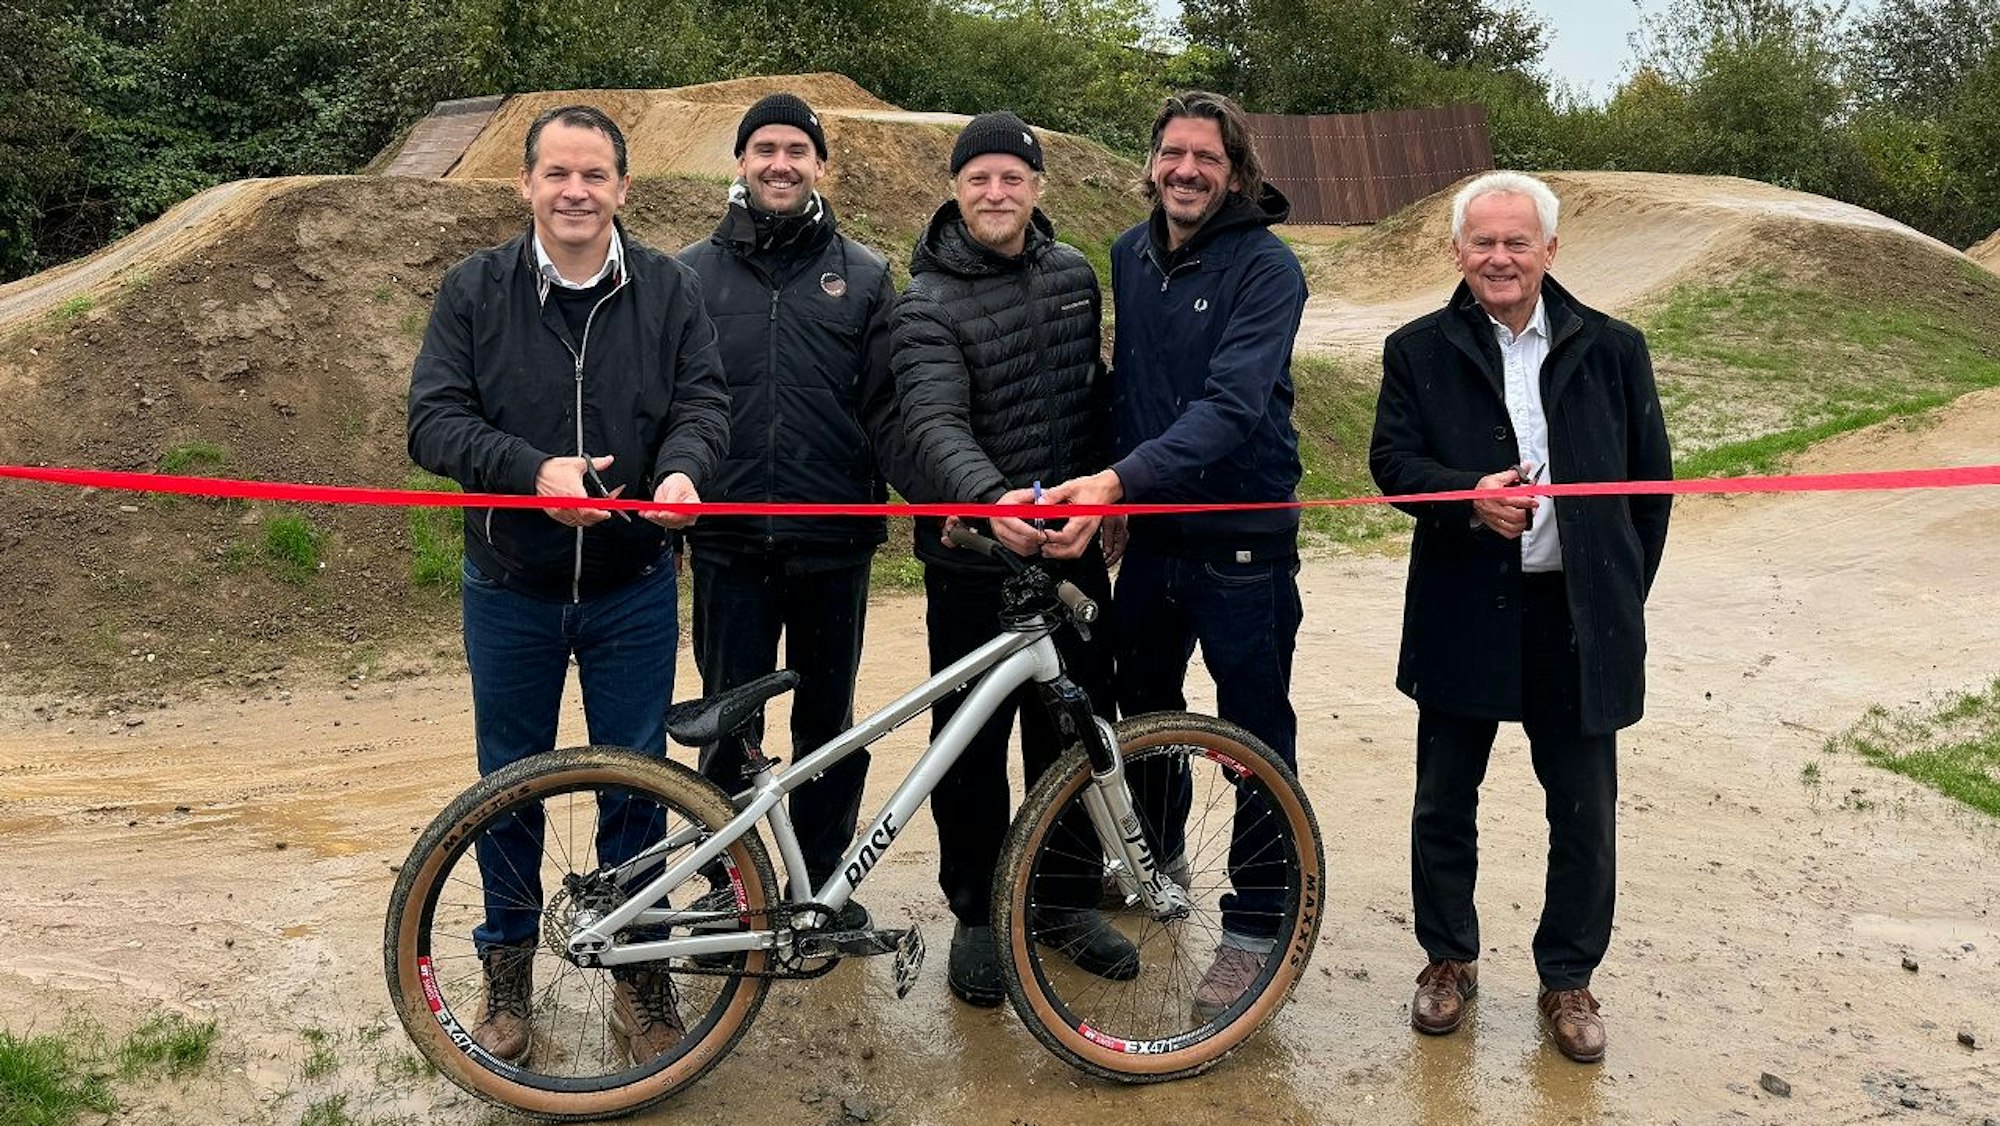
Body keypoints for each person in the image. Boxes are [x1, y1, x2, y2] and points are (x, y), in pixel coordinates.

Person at [406, 104, 730, 1067]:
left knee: (636, 783)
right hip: (511, 584)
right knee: (509, 786)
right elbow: (431, 421)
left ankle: (640, 972)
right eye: (557, 175)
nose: (576, 192)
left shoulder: (669, 288)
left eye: (594, 176)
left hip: (633, 587)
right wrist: (525, 469)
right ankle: (505, 974)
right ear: (527, 186)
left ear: (624, 189)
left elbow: (704, 403)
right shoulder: (474, 289)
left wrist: (683, 471)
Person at [1369, 170, 1672, 1063]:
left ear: (1550, 249)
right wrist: (1464, 499)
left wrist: (1613, 591)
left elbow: (1650, 491)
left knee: (1583, 812)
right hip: (1464, 608)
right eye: (1482, 242)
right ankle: (1447, 961)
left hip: (1577, 622)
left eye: (1516, 241)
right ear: (1457, 251)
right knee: (1443, 801)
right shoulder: (1416, 349)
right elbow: (1392, 461)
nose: (1499, 258)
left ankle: (1568, 978)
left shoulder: (1615, 349)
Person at [1043, 90, 1309, 1020]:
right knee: (1145, 712)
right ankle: (1156, 858)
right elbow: (1137, 387)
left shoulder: (1269, 271)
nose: (1186, 170)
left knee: (1252, 740)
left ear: (1235, 171)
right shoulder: (1128, 251)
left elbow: (1233, 404)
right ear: (1151, 161)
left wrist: (1117, 482)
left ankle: (1259, 921)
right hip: (1152, 539)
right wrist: (1116, 487)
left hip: (1245, 544)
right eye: (1172, 154)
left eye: (1206, 157)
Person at [888, 110, 1136, 1006]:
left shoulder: (1076, 275)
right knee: (971, 740)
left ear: (1037, 187)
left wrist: (1110, 496)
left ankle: (1063, 898)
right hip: (972, 556)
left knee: (1076, 725)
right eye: (979, 178)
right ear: (956, 190)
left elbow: (1090, 397)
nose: (997, 193)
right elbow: (931, 421)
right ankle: (979, 912)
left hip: (1071, 548)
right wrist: (995, 505)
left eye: (1013, 177)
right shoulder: (923, 301)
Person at [677, 93, 898, 928]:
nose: (780, 162)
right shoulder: (689, 273)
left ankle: (817, 887)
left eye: (796, 150)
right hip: (728, 543)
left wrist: (953, 500)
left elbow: (890, 412)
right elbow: (670, 409)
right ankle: (731, 890)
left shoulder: (868, 275)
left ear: (818, 165)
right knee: (727, 722)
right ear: (740, 161)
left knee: (829, 727)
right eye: (764, 148)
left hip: (835, 543)